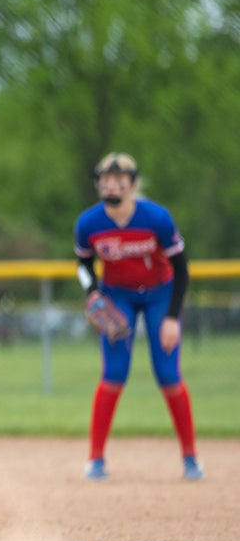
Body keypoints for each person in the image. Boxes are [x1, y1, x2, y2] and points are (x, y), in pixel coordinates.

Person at [74, 152, 201, 481]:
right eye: (104, 180)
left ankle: (190, 458)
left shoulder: (155, 218)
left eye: (118, 180)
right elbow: (84, 265)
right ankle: (96, 460)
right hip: (118, 297)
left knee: (168, 374)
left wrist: (172, 317)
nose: (110, 185)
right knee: (114, 372)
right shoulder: (88, 223)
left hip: (160, 294)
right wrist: (92, 293)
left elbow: (182, 269)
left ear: (132, 184)